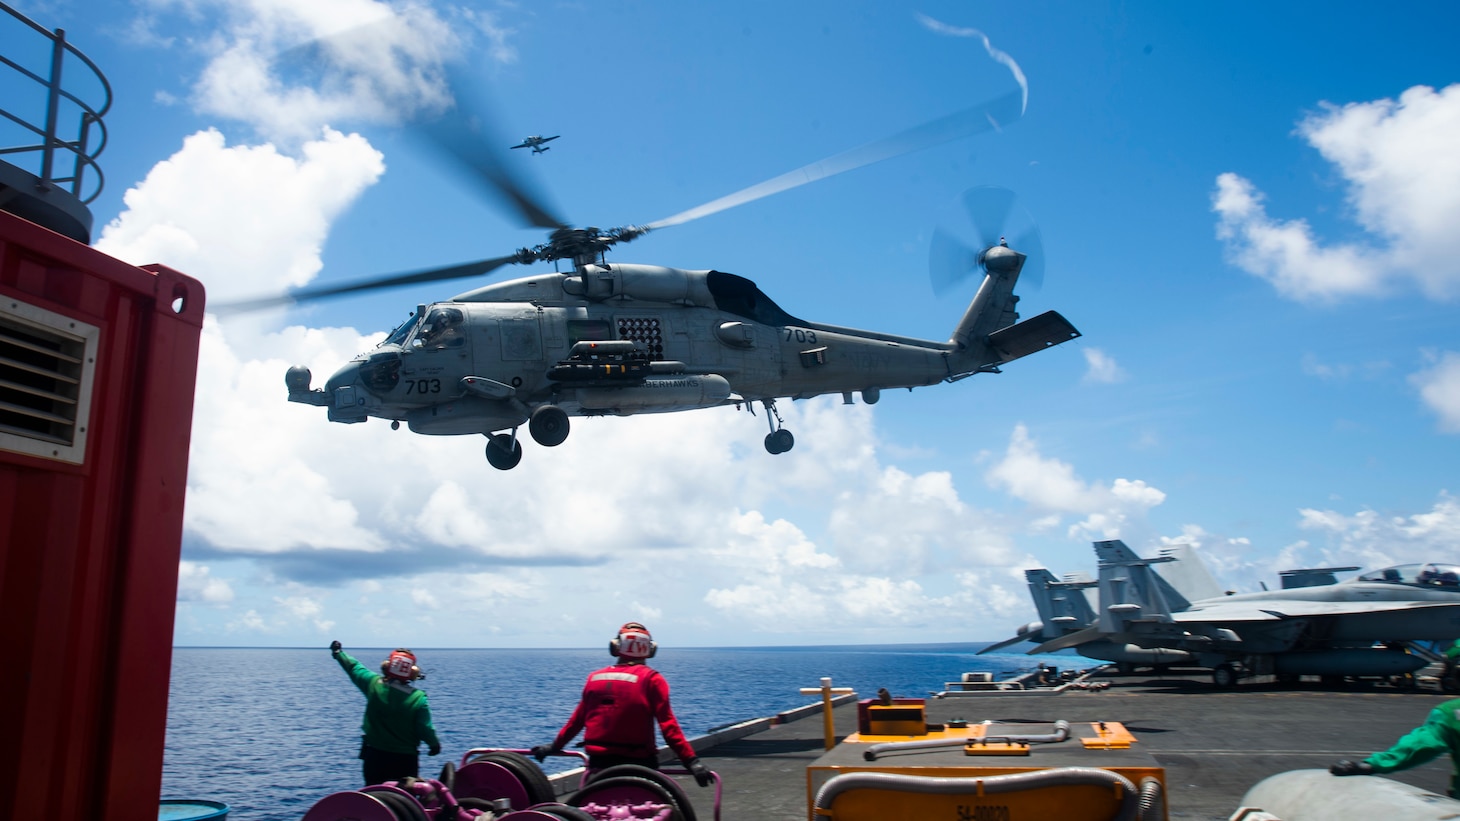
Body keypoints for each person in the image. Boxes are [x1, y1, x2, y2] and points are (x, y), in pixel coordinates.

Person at [532, 622, 713, 788]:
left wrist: (553, 747)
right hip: (640, 766)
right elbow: (669, 728)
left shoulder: (594, 678)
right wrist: (692, 762)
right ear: (650, 650)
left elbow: (577, 721)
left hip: (598, 767)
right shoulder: (653, 680)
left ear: (615, 647)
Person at [331, 640, 442, 786]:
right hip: (405, 761)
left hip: (374, 757)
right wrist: (434, 745)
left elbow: (354, 668)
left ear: (387, 666)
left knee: (375, 799)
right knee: (403, 803)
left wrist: (339, 653)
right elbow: (425, 728)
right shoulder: (418, 698)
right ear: (412, 672)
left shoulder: (373, 684)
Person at [1330, 696, 1460, 797]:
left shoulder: (1452, 712)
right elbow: (1422, 743)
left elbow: (1422, 744)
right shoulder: (1452, 713)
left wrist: (1371, 766)